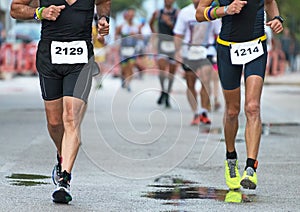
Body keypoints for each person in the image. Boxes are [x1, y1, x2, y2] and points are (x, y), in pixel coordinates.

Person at [10, 0, 110, 203]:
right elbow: (15, 9)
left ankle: (64, 179)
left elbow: (104, 2)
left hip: (80, 60)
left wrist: (102, 19)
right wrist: (40, 12)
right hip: (50, 58)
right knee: (55, 122)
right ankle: (61, 153)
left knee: (71, 118)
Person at [196, 0, 283, 189]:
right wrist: (225, 10)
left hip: (256, 47)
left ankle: (251, 168)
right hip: (227, 49)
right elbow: (199, 13)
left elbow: (270, 3)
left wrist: (276, 18)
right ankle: (231, 158)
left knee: (252, 107)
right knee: (232, 111)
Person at [173, 0, 214, 125]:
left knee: (205, 80)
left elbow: (218, 33)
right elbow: (178, 34)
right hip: (189, 52)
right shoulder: (185, 13)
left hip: (207, 50)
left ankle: (204, 112)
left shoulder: (213, 11)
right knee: (190, 83)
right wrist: (177, 52)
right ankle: (196, 112)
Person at [149, 0, 179, 108]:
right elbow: (151, 23)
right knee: (162, 69)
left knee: (172, 72)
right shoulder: (158, 12)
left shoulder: (177, 13)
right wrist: (155, 33)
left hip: (173, 45)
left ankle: (167, 94)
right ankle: (163, 90)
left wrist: (170, 23)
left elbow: (178, 29)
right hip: (162, 45)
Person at [115, 8, 140, 92]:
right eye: (129, 15)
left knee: (131, 67)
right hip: (123, 50)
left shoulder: (137, 26)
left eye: (132, 15)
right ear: (126, 16)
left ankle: (128, 83)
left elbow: (141, 37)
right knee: (124, 68)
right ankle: (123, 78)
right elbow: (116, 36)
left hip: (133, 50)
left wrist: (136, 35)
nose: (131, 17)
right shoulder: (121, 26)